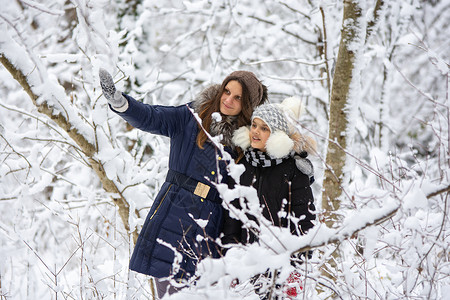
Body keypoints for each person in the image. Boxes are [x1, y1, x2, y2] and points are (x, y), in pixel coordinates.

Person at [99, 68, 267, 298]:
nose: (228, 99)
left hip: (211, 231)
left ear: (247, 105)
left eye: (238, 97)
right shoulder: (192, 116)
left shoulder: (247, 142)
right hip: (173, 216)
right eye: (227, 91)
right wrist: (121, 104)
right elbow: (152, 116)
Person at [221, 97, 316, 298]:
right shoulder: (243, 165)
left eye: (264, 128)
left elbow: (305, 222)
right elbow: (233, 217)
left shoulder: (293, 169)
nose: (255, 131)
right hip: (247, 263)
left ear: (277, 136)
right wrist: (231, 256)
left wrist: (295, 267)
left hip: (282, 265)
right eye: (254, 125)